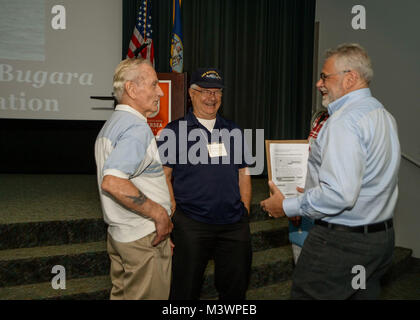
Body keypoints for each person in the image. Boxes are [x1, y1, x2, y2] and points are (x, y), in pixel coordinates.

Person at [260, 43, 400, 299]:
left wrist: (287, 206)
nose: (318, 83)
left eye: (325, 76)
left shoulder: (344, 121)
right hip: (380, 240)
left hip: (341, 246)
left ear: (350, 78)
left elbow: (340, 195)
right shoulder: (382, 115)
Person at [157, 68, 252, 300]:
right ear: (191, 94)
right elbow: (163, 176)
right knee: (185, 291)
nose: (212, 97)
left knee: (235, 290)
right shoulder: (174, 131)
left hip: (233, 225)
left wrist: (245, 211)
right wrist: (174, 215)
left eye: (217, 92)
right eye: (205, 91)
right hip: (192, 224)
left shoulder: (233, 130)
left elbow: (244, 174)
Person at [94, 58, 173, 300]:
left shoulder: (112, 125)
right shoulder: (136, 129)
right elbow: (113, 182)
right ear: (131, 89)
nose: (160, 91)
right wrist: (160, 215)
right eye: (153, 84)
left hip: (122, 234)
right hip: (142, 239)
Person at [288, 108, 329, 265]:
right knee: (302, 266)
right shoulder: (321, 118)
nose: (319, 84)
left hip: (326, 215)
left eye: (325, 81)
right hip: (305, 206)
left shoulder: (346, 123)